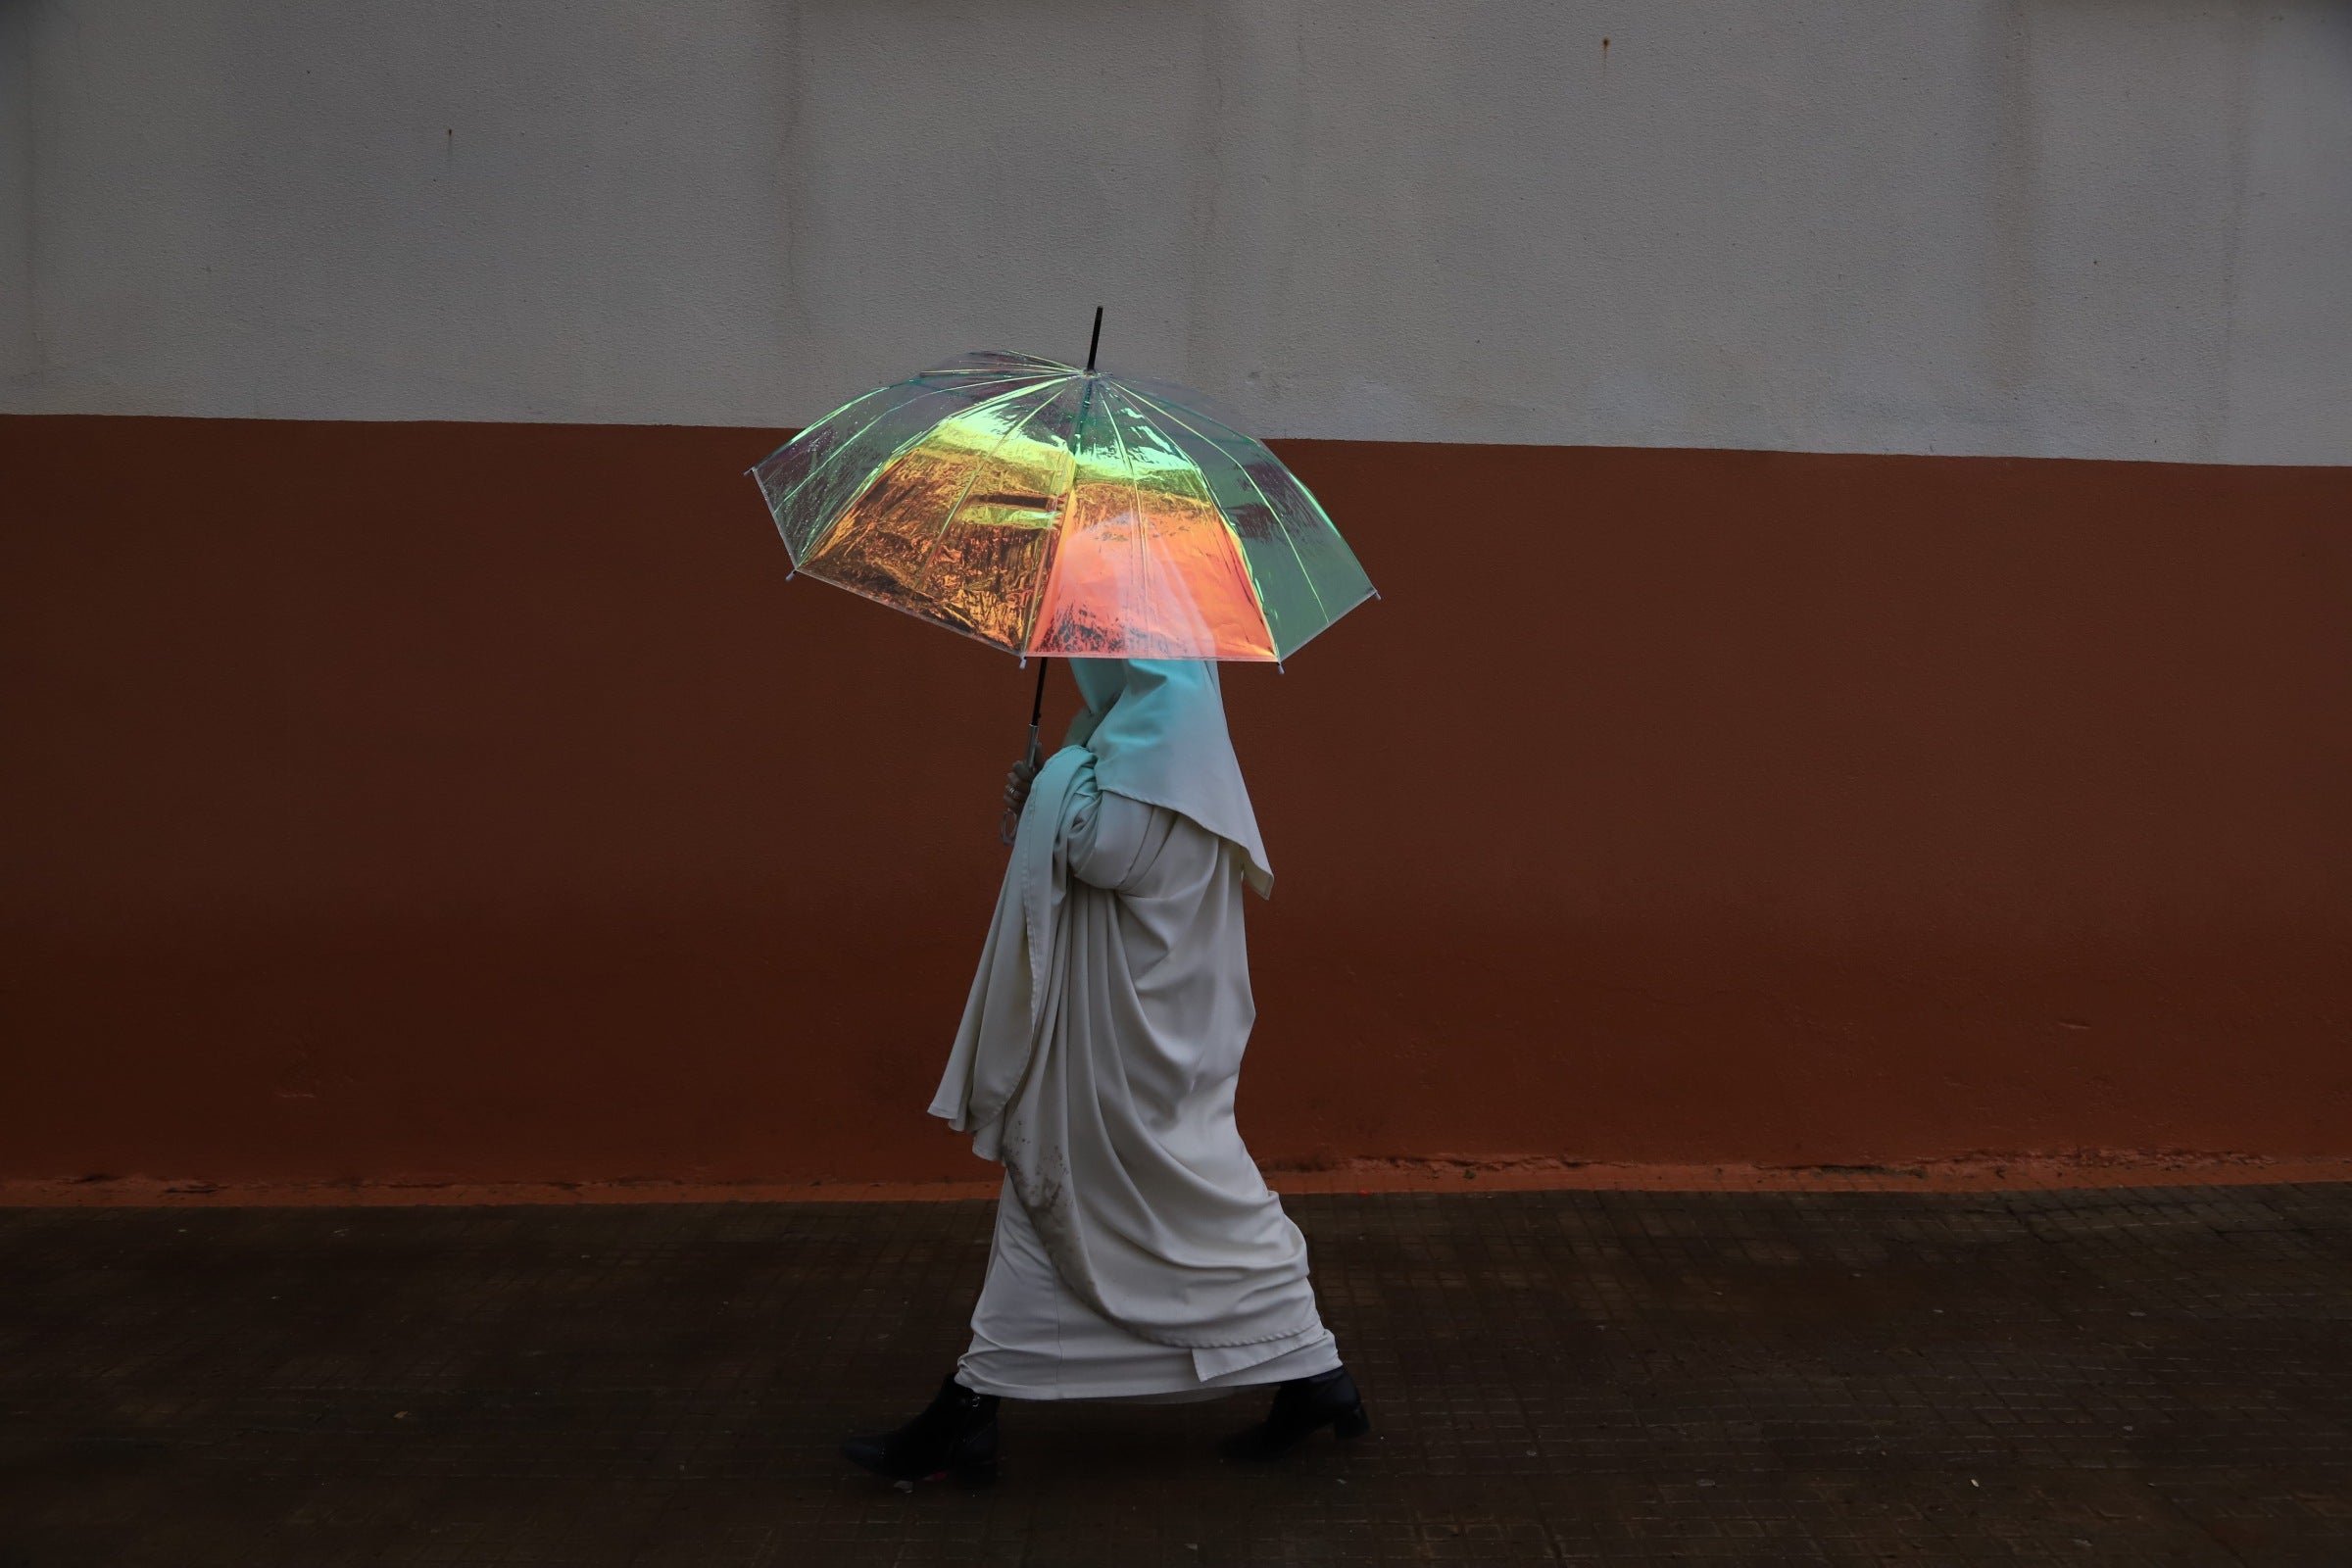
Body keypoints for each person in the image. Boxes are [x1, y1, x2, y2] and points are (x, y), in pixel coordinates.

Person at [842, 658, 1368, 1484]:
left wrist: (1053, 780)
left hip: (1133, 1037)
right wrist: (1047, 791)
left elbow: (1105, 850)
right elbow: (1090, 828)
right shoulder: (1152, 739)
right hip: (1133, 1027)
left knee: (1139, 1188)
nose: (1098, 658)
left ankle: (1307, 1369)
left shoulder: (1164, 738)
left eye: (1112, 643)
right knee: (1078, 1188)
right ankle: (1309, 1378)